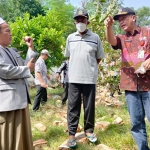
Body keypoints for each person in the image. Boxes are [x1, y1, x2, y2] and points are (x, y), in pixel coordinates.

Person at [104, 7, 150, 150]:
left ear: (134, 17)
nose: (121, 21)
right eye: (118, 20)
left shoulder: (147, 32)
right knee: (136, 123)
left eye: (124, 18)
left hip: (149, 85)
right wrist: (108, 27)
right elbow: (111, 41)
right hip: (130, 86)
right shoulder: (122, 38)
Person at [65, 9, 105, 148]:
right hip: (74, 78)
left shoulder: (95, 38)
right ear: (74, 22)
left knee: (89, 107)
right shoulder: (70, 38)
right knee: (73, 107)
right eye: (78, 19)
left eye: (83, 19)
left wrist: (89, 68)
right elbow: (69, 57)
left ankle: (89, 131)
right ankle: (71, 135)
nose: (80, 22)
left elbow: (98, 57)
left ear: (88, 21)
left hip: (89, 78)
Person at [0, 17, 36, 150]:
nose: (11, 34)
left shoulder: (11, 51)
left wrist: (30, 48)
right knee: (10, 139)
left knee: (22, 137)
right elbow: (5, 71)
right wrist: (27, 69)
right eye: (7, 31)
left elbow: (24, 66)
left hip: (20, 100)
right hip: (7, 104)